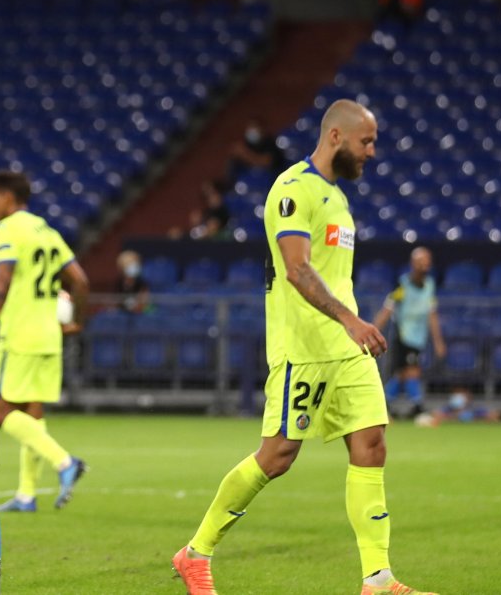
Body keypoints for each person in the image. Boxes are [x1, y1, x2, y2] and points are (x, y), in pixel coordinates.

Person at [172, 99, 436, 595]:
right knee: (277, 456)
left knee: (372, 444)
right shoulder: (292, 189)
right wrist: (350, 319)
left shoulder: (338, 199)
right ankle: (196, 553)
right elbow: (297, 269)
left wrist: (350, 325)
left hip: (346, 350)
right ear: (336, 136)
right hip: (304, 349)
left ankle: (378, 580)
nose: (372, 152)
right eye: (366, 142)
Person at [0, 170, 90, 512]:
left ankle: (65, 462)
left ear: (7, 197)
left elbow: (3, 279)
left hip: (20, 333)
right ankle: (27, 495)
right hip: (48, 334)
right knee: (32, 412)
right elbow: (80, 281)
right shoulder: (47, 231)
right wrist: (76, 322)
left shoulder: (8, 228)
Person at [373, 247, 446, 419]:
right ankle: (418, 406)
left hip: (419, 338)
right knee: (412, 371)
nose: (424, 264)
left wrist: (438, 341)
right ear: (413, 263)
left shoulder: (430, 285)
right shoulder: (403, 285)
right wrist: (373, 330)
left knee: (402, 374)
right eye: (421, 261)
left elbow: (432, 314)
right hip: (403, 336)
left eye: (427, 261)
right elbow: (388, 308)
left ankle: (383, 404)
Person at [413, 387, 500, 427]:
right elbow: (436, 415)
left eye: (461, 395)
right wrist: (456, 417)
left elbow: (495, 416)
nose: (458, 397)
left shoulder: (474, 408)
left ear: (468, 397)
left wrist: (473, 418)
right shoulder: (448, 408)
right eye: (456, 394)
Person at [115, 250, 150, 314]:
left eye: (136, 264)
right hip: (122, 315)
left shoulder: (142, 284)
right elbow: (115, 304)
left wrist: (138, 306)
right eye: (130, 265)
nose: (134, 267)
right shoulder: (118, 285)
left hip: (138, 316)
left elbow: (144, 305)